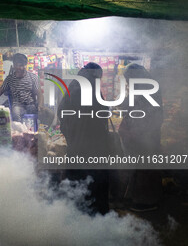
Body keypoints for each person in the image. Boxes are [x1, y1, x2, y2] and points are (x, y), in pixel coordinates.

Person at [57, 62, 110, 215]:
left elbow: (62, 113)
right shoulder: (91, 87)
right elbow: (101, 115)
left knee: (77, 184)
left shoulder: (73, 85)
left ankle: (75, 217)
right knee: (94, 183)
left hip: (76, 146)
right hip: (93, 147)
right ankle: (96, 218)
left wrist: (71, 136)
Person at [118, 63, 163, 212]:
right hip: (141, 136)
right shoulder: (142, 86)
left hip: (146, 137)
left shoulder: (148, 89)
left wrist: (136, 133)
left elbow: (147, 115)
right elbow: (131, 104)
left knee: (145, 169)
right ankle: (138, 198)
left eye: (129, 78)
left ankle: (146, 203)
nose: (128, 82)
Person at [0, 53, 43, 122]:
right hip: (17, 105)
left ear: (26, 65)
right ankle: (19, 131)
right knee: (15, 112)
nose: (21, 68)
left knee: (40, 113)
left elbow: (39, 94)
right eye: (19, 65)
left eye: (23, 65)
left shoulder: (33, 77)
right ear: (14, 65)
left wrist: (40, 106)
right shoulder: (9, 79)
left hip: (30, 104)